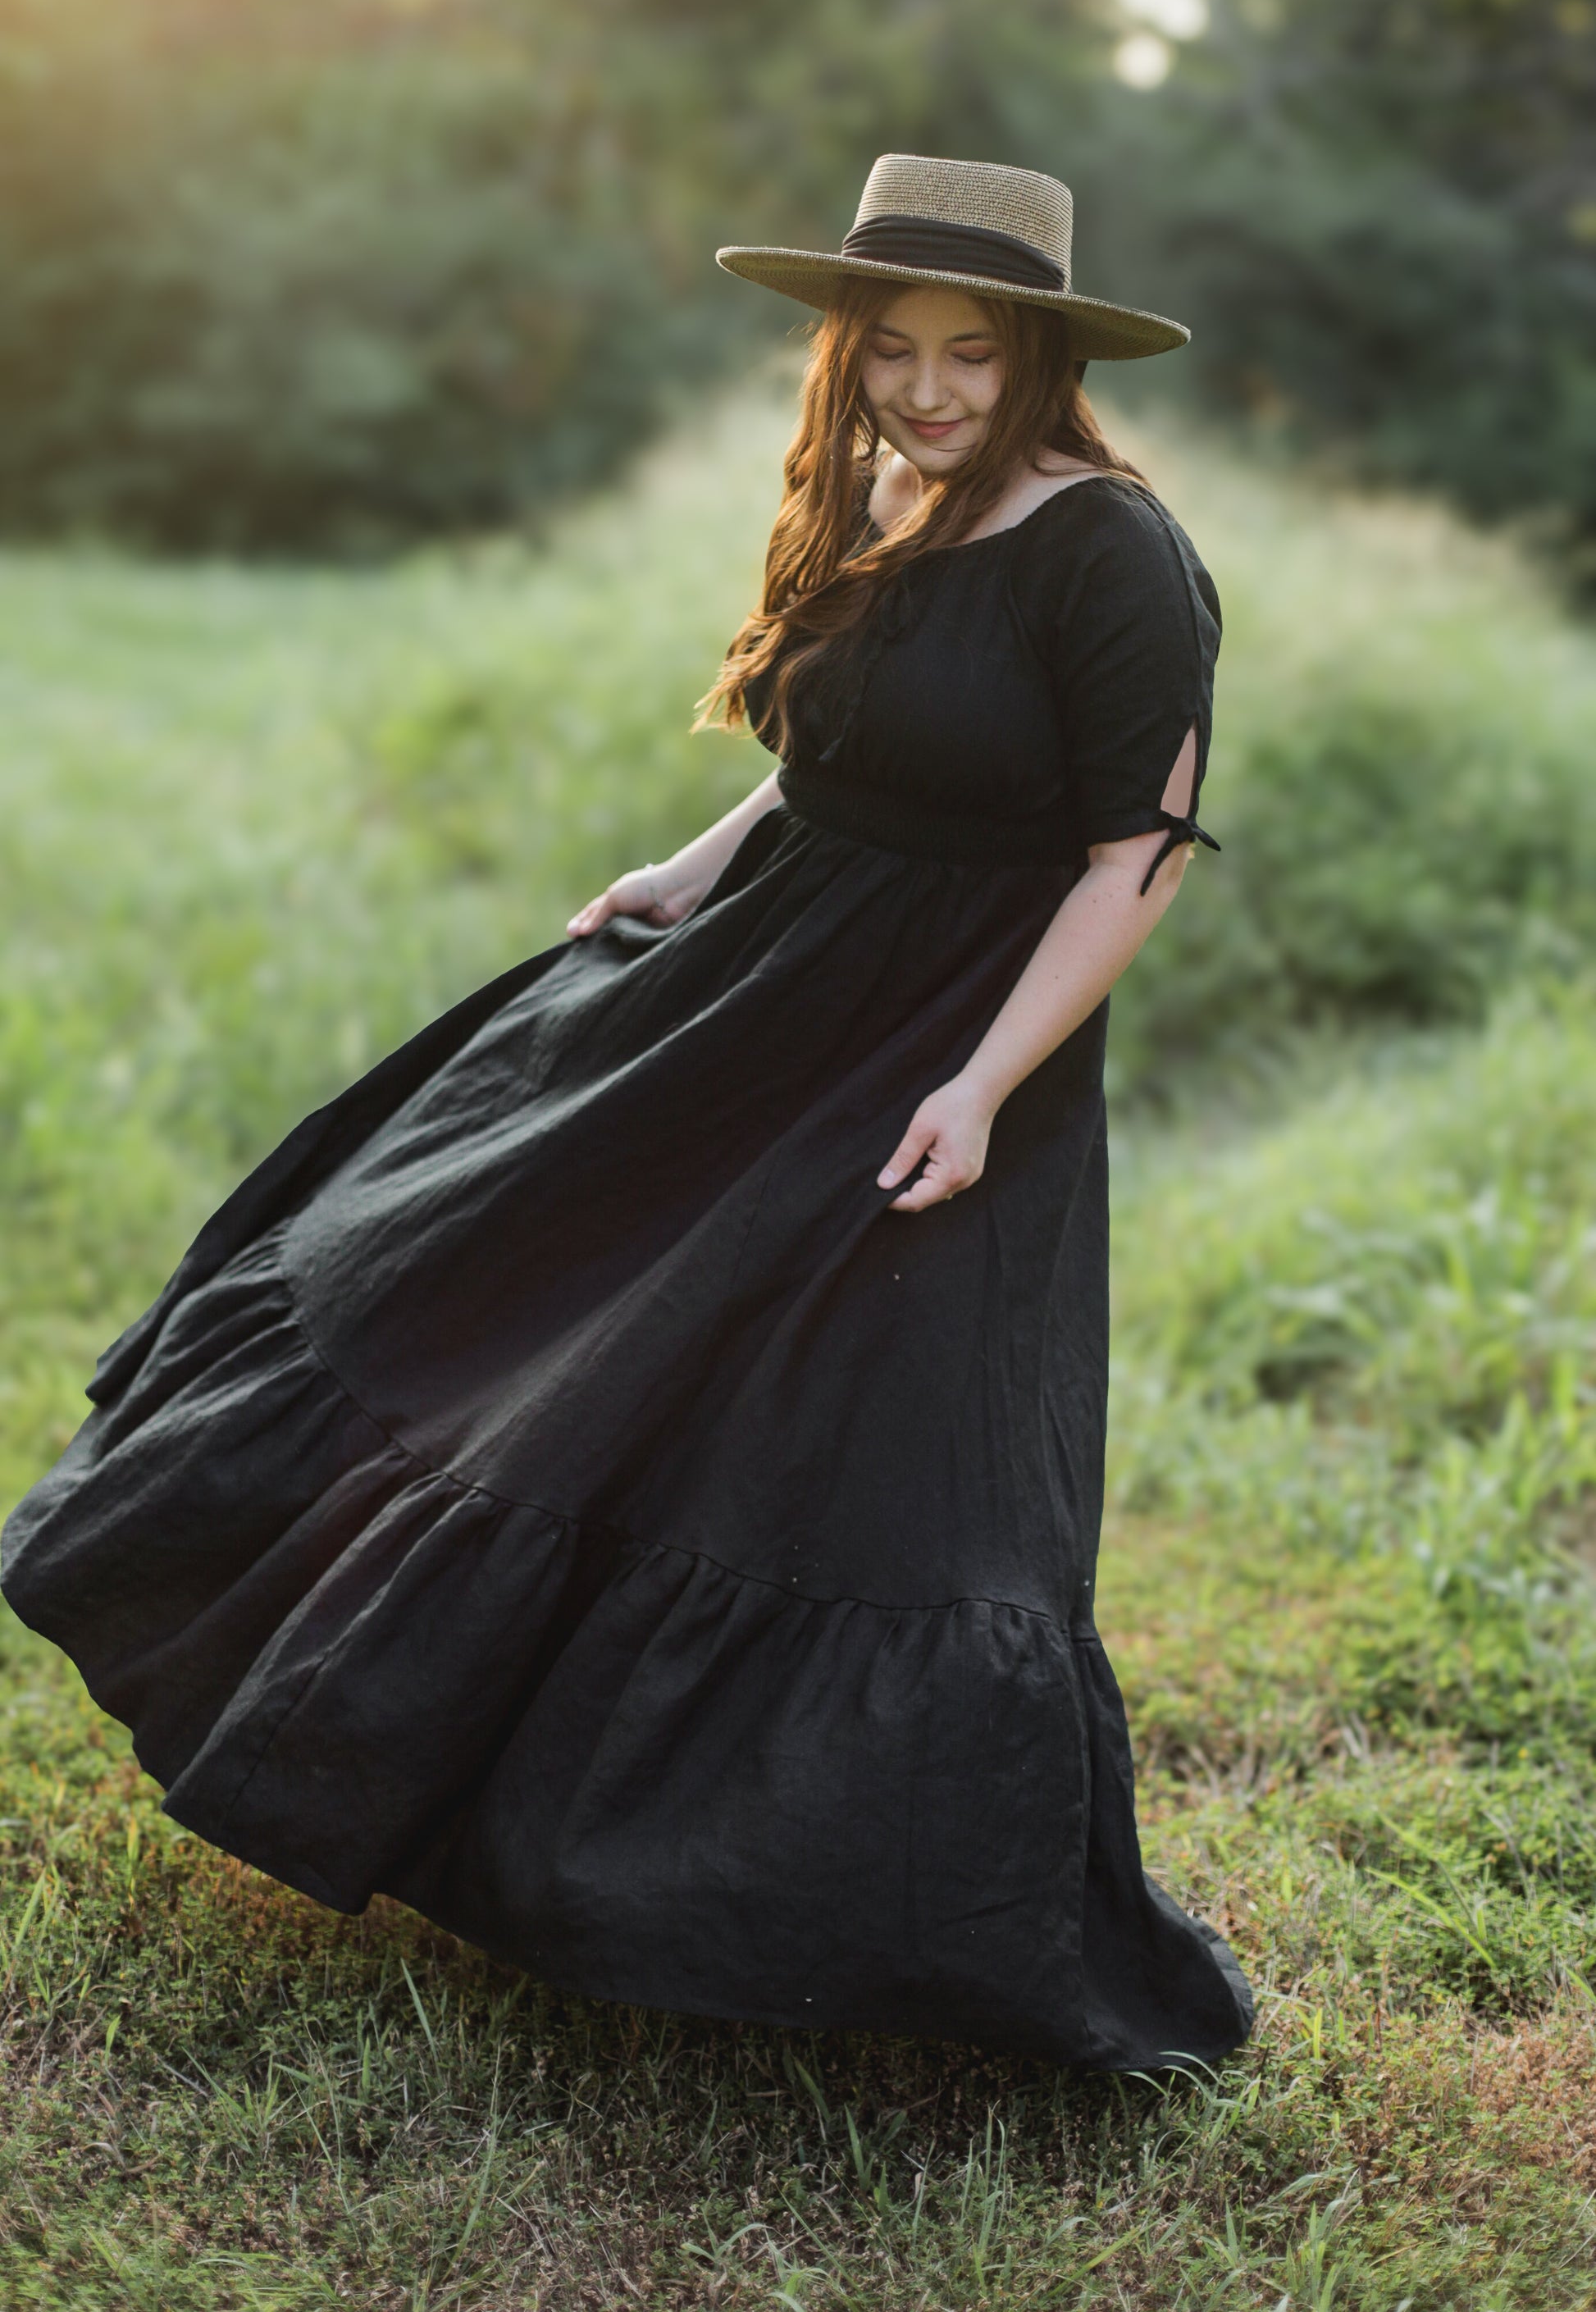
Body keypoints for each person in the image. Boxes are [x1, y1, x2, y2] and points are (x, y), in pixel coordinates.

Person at [2, 154, 1252, 2069]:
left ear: (1039, 357)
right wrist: (689, 862)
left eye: (969, 353)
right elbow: (846, 758)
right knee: (532, 1329)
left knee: (864, 1465)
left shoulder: (1116, 553)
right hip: (746, 996)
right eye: (891, 348)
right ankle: (511, 1825)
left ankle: (845, 1911)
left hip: (934, 1036)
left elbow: (1130, 858)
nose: (924, 388)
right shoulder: (893, 504)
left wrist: (981, 1084)